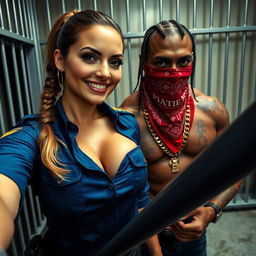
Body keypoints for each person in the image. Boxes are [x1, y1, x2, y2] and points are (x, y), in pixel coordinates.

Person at [0, 10, 162, 256]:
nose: (106, 73)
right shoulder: (32, 137)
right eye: (89, 57)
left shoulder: (128, 124)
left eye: (115, 61)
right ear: (60, 60)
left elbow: (140, 204)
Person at [120, 20, 242, 256]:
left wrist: (211, 211)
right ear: (144, 63)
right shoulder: (126, 119)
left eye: (184, 61)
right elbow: (125, 189)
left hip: (194, 230)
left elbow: (233, 170)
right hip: (146, 234)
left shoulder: (212, 110)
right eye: (162, 62)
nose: (175, 71)